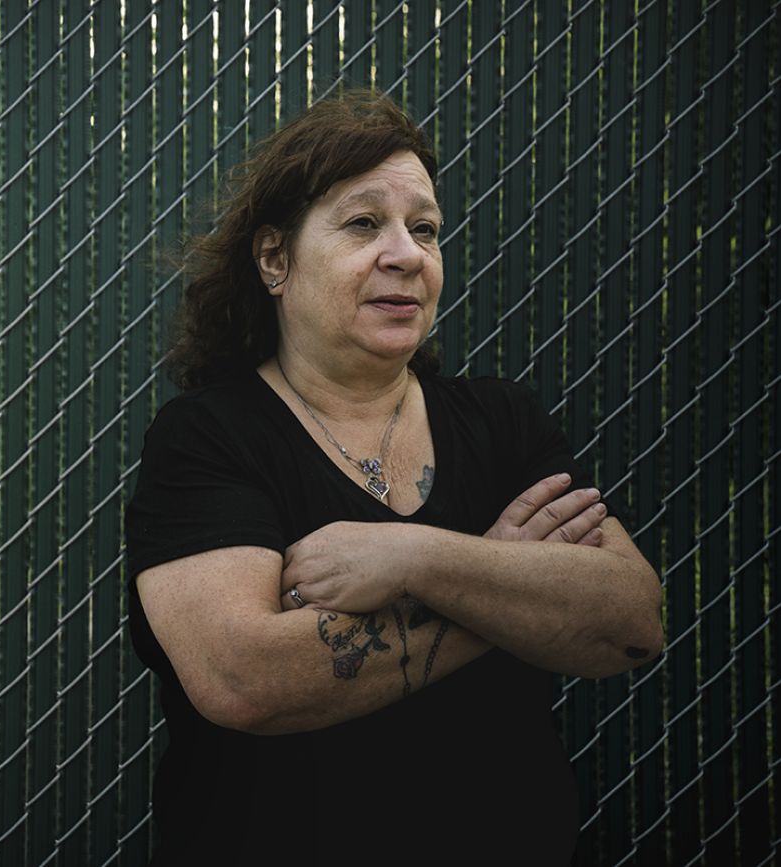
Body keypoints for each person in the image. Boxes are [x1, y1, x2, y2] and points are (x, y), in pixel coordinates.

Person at [123, 91, 663, 865]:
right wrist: (509, 577)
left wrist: (415, 559)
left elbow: (631, 619)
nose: (407, 254)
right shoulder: (210, 438)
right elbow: (244, 675)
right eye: (363, 223)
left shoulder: (503, 422)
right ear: (275, 258)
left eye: (426, 229)